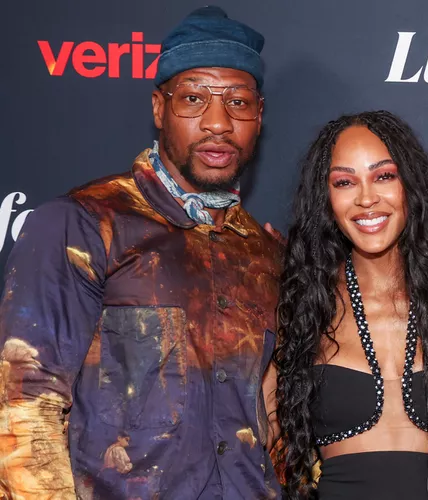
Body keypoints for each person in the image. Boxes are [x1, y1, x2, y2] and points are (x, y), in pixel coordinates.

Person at [0, 6, 283, 499]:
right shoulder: (85, 223)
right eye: (194, 99)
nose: (218, 122)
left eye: (238, 102)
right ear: (159, 108)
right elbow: (24, 403)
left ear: (259, 115)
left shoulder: (266, 255)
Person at [268, 111, 428, 499]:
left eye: (383, 176)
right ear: (326, 199)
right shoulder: (302, 303)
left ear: (411, 184)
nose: (366, 198)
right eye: (344, 181)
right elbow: (254, 437)